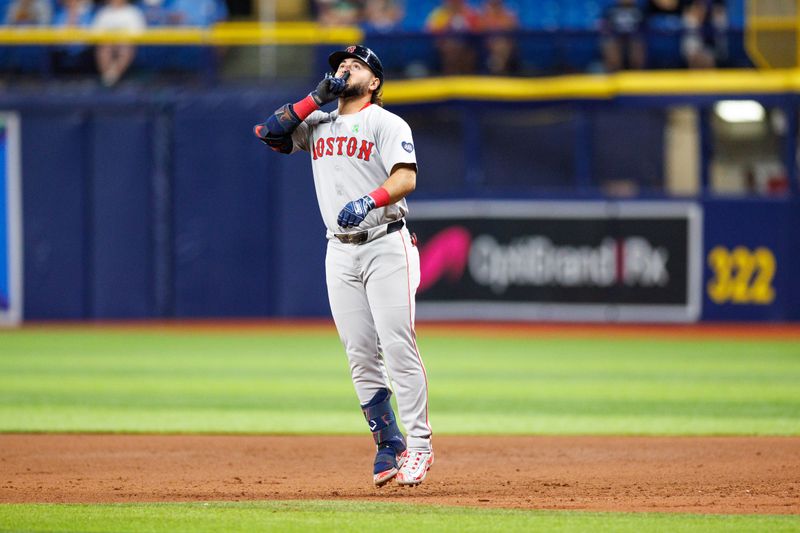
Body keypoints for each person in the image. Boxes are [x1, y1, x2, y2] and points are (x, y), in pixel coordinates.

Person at [252, 45, 433, 487]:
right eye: (339, 65)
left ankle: (421, 446)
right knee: (359, 354)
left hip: (386, 243)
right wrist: (315, 98)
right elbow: (268, 132)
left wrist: (368, 200)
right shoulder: (318, 122)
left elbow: (406, 177)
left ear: (374, 82)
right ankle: (389, 444)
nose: (344, 69)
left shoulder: (385, 122)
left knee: (397, 344)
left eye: (356, 65)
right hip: (340, 249)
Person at [91, 0, 146, 86]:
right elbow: (96, 33)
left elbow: (139, 33)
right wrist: (111, 40)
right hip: (108, 44)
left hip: (126, 44)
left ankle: (111, 77)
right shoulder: (104, 12)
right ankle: (110, 77)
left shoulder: (133, 12)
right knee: (104, 48)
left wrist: (120, 39)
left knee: (125, 49)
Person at [425, 0, 481, 74]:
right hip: (444, 49)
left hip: (467, 47)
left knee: (468, 55)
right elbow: (431, 33)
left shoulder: (471, 13)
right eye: (452, 2)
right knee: (451, 51)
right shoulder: (438, 15)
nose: (455, 3)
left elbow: (479, 32)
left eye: (457, 2)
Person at [51, 0, 95, 75]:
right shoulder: (59, 15)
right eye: (69, 1)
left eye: (75, 1)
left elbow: (89, 37)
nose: (72, 2)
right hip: (63, 49)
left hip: (82, 50)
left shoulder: (86, 15)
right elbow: (55, 38)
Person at [600, 0, 646, 71]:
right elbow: (606, 29)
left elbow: (644, 28)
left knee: (637, 44)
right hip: (616, 38)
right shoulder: (610, 10)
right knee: (609, 44)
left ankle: (636, 73)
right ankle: (615, 73)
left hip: (634, 38)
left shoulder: (640, 10)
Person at [681, 0, 727, 68]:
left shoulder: (717, 7)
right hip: (695, 50)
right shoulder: (690, 19)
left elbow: (721, 20)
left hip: (713, 48)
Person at [480, 0, 519, 75]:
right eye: (492, 4)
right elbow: (479, 34)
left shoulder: (510, 16)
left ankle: (496, 67)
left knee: (501, 45)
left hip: (506, 49)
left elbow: (513, 36)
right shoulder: (482, 17)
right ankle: (498, 69)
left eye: (497, 4)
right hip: (486, 48)